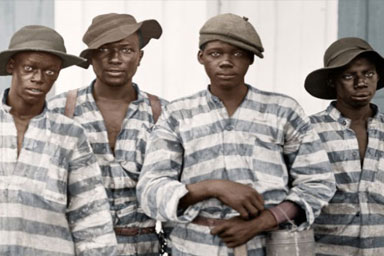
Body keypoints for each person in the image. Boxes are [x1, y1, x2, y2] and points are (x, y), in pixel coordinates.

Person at [137, 13, 336, 255]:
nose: (226, 62)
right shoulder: (178, 114)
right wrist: (212, 187)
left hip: (268, 245)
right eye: (215, 53)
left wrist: (261, 222)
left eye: (238, 53)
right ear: (201, 57)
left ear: (251, 58)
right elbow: (150, 189)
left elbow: (317, 182)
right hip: (192, 247)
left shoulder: (283, 110)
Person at [48, 13, 166, 256]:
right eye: (104, 50)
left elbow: (174, 191)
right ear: (91, 58)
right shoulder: (59, 110)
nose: (115, 59)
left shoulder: (164, 114)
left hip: (143, 246)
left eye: (126, 50)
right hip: (76, 246)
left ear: (139, 56)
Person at [0, 25, 117, 255]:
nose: (38, 78)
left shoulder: (70, 135)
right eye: (30, 68)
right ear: (12, 66)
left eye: (50, 72)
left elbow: (90, 213)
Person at [305, 37, 384, 255]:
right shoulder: (309, 131)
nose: (361, 82)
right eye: (349, 76)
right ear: (332, 81)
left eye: (368, 74)